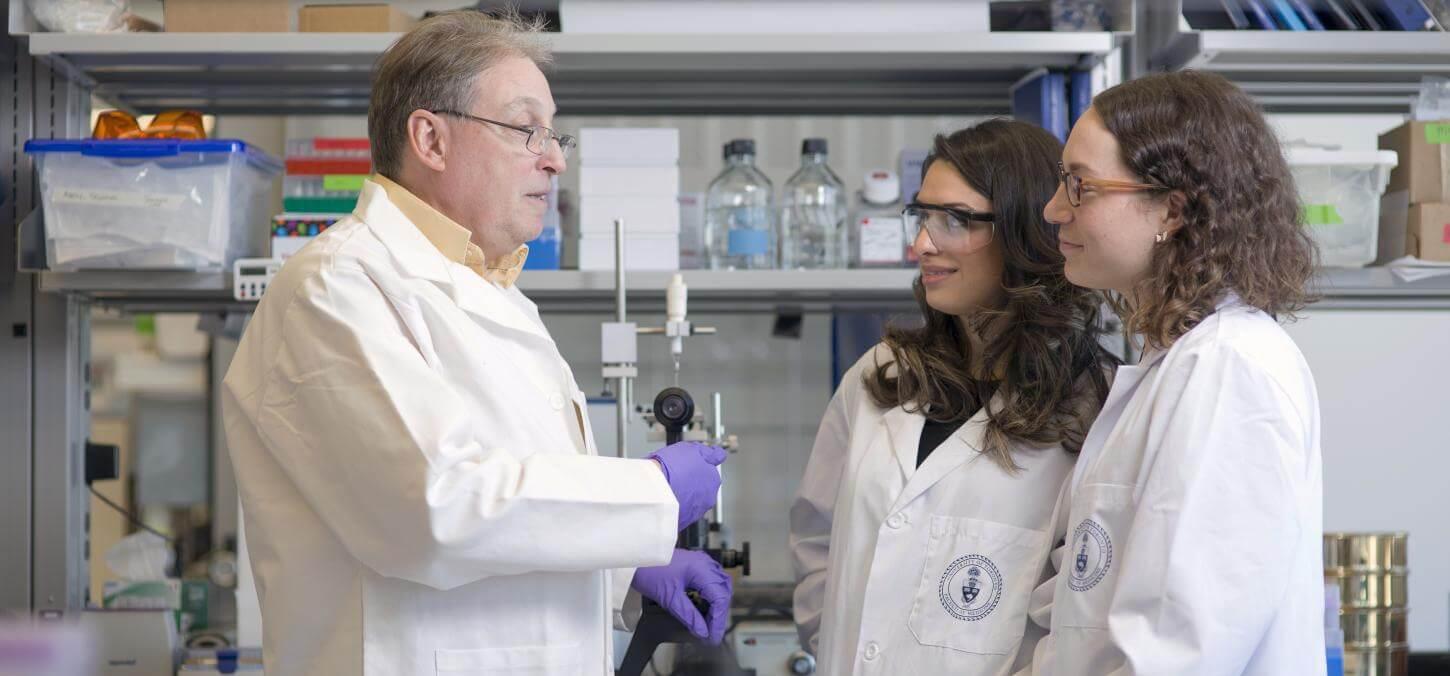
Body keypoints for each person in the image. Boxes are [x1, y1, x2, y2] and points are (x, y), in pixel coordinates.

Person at [222, 12, 731, 675]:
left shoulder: (494, 291)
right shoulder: (335, 289)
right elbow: (430, 509)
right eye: (526, 130)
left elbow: (514, 524)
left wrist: (626, 564)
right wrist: (651, 491)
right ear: (430, 139)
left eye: (553, 135)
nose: (554, 157)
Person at [790, 119, 1117, 674]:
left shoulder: (1091, 409)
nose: (922, 244)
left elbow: (1080, 618)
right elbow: (816, 542)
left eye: (956, 220)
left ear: (1023, 231)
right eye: (921, 216)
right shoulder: (879, 379)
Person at [1031, 70, 1324, 675]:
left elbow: (1177, 651)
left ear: (1172, 207)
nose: (1054, 209)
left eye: (1080, 186)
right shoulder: (1177, 365)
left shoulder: (1228, 371)